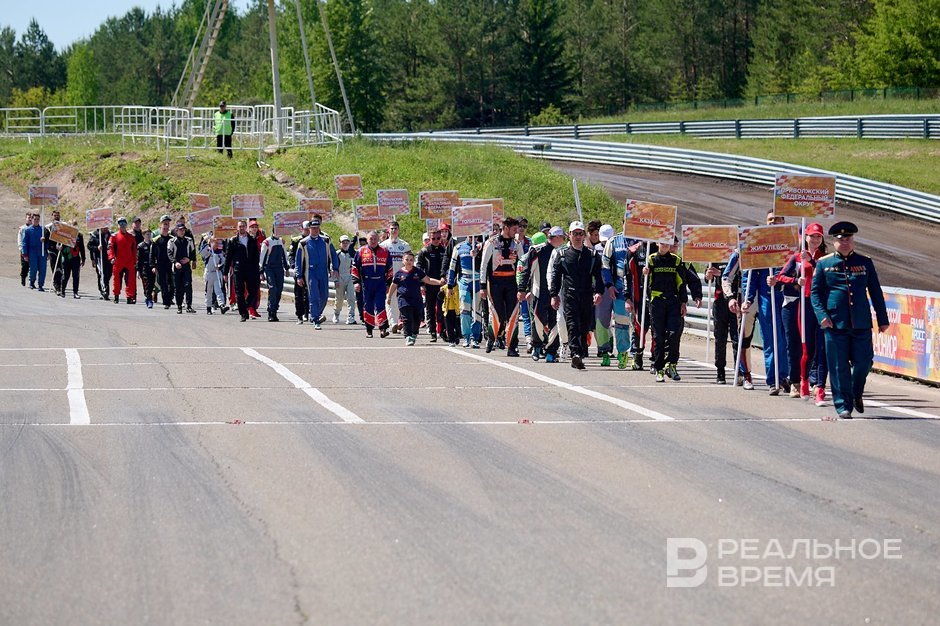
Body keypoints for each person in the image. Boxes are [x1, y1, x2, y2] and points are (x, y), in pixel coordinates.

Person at [811, 221, 889, 419]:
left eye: (848, 239)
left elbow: (875, 292)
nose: (844, 242)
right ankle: (843, 405)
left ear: (853, 240)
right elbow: (815, 293)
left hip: (860, 322)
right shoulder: (824, 263)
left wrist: (882, 319)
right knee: (839, 367)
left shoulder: (865, 262)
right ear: (834, 242)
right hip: (834, 323)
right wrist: (822, 316)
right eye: (840, 239)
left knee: (864, 362)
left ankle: (855, 391)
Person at [775, 222, 828, 400]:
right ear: (805, 237)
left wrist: (811, 261)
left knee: (817, 345)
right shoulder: (797, 257)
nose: (815, 239)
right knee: (798, 344)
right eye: (812, 236)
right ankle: (796, 382)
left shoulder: (825, 258)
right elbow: (781, 276)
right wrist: (795, 281)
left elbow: (826, 276)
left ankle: (815, 382)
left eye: (818, 236)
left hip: (818, 305)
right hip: (799, 304)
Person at [742, 211, 790, 395]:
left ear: (783, 221)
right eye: (770, 220)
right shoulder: (759, 244)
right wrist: (748, 299)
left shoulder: (792, 243)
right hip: (767, 300)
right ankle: (773, 380)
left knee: (786, 340)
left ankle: (785, 376)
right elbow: (751, 276)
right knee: (770, 340)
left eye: (777, 219)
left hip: (788, 299)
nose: (773, 222)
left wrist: (782, 279)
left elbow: (798, 272)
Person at [642, 237, 702, 382]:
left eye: (668, 243)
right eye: (662, 243)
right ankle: (659, 368)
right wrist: (645, 274)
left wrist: (684, 302)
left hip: (673, 302)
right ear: (657, 243)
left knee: (674, 334)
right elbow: (645, 284)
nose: (665, 246)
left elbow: (681, 282)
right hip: (657, 302)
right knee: (658, 337)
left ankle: (672, 365)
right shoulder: (650, 260)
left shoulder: (677, 260)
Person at [549, 221, 604, 370]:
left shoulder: (592, 255)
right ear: (569, 235)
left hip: (586, 295)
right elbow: (555, 276)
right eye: (575, 234)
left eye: (580, 234)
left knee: (584, 326)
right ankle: (576, 354)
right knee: (572, 324)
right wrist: (554, 295)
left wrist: (599, 292)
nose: (578, 237)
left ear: (584, 235)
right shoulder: (562, 255)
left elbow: (598, 276)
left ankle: (581, 350)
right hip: (569, 295)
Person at [480, 217, 523, 356]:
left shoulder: (517, 244)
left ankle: (512, 346)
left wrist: (522, 286)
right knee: (497, 314)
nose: (516, 232)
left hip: (512, 283)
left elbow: (522, 265)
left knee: (513, 315)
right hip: (495, 283)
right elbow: (483, 265)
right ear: (505, 228)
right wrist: (482, 286)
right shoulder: (491, 242)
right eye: (514, 229)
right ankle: (491, 338)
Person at [518, 229, 563, 362]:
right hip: (539, 291)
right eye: (562, 237)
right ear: (555, 237)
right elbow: (527, 271)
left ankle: (551, 352)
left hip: (557, 292)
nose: (564, 240)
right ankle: (537, 347)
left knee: (556, 321)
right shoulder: (537, 250)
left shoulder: (563, 251)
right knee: (538, 320)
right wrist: (523, 289)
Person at [602, 220, 640, 370]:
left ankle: (636, 354)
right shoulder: (613, 241)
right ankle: (623, 352)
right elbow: (605, 265)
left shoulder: (643, 241)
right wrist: (609, 285)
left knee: (638, 323)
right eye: (627, 223)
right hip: (619, 290)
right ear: (623, 223)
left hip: (638, 289)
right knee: (621, 322)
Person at [387, 251, 445, 345]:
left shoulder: (417, 271)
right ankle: (408, 336)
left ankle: (414, 333)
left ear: (413, 261)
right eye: (407, 259)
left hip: (416, 299)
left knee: (417, 318)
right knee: (407, 318)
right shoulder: (399, 273)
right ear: (403, 261)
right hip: (403, 299)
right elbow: (393, 286)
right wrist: (389, 297)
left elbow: (428, 280)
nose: (409, 262)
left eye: (411, 260)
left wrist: (439, 282)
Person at [295, 217, 339, 330]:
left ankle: (316, 314)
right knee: (314, 296)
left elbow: (333, 255)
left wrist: (335, 268)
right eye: (313, 228)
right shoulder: (303, 243)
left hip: (323, 271)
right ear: (309, 228)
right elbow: (298, 260)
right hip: (311, 272)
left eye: (317, 228)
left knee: (324, 296)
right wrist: (299, 276)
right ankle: (315, 319)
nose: (315, 230)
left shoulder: (326, 240)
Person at [352, 230, 393, 338]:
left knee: (380, 305)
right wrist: (356, 282)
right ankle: (369, 329)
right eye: (371, 239)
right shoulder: (361, 251)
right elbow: (355, 268)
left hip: (380, 282)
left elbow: (390, 268)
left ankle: (383, 328)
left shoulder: (385, 251)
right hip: (367, 283)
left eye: (375, 239)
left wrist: (388, 283)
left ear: (378, 239)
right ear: (367, 240)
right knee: (368, 305)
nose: (373, 241)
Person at [223, 220, 261, 322]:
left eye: (243, 226)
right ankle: (243, 314)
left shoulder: (252, 239)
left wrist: (257, 270)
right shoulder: (233, 240)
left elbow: (256, 257)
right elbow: (228, 257)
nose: (242, 228)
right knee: (239, 292)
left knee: (253, 290)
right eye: (240, 226)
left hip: (250, 269)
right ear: (237, 228)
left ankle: (246, 305)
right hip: (238, 269)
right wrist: (225, 273)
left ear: (246, 227)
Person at [417, 229, 448, 342]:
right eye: (433, 238)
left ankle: (442, 331)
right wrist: (421, 284)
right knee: (430, 309)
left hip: (442, 284)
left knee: (442, 309)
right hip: (429, 284)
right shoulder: (424, 251)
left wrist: (445, 278)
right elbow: (419, 268)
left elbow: (448, 266)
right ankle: (432, 332)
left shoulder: (444, 250)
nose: (436, 240)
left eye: (438, 238)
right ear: (429, 239)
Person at [381, 221, 412, 332]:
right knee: (389, 299)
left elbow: (410, 261)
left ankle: (399, 320)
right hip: (389, 278)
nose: (394, 230)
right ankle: (392, 323)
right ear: (388, 230)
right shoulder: (383, 245)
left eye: (395, 228)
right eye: (392, 228)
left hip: (402, 277)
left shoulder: (404, 245)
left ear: (399, 230)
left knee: (401, 300)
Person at [594, 224, 616, 364]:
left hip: (617, 287)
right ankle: (603, 349)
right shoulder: (595, 250)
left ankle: (615, 346)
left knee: (620, 320)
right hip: (602, 289)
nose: (604, 243)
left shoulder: (618, 248)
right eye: (603, 241)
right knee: (601, 320)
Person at [260, 229, 290, 322]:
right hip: (269, 268)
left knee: (279, 290)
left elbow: (284, 256)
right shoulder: (267, 242)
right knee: (272, 288)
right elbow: (262, 258)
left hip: (279, 269)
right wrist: (261, 272)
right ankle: (271, 311)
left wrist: (287, 268)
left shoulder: (281, 241)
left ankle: (275, 310)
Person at [108, 216, 138, 304]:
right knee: (117, 280)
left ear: (126, 224)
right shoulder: (114, 236)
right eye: (120, 224)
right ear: (118, 225)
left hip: (129, 262)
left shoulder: (131, 237)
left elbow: (134, 249)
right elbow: (110, 248)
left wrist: (134, 260)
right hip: (118, 262)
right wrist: (111, 257)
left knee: (130, 280)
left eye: (124, 223)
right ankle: (116, 296)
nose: (122, 225)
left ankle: (129, 297)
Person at [167, 223, 196, 313]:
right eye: (180, 230)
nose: (182, 232)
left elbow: (193, 252)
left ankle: (189, 306)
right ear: (176, 231)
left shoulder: (189, 240)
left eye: (183, 230)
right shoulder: (172, 241)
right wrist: (175, 262)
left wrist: (190, 259)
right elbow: (169, 253)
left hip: (186, 266)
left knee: (188, 285)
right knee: (178, 287)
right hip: (177, 267)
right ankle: (179, 306)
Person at [150, 215, 175, 308]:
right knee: (163, 284)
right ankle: (166, 302)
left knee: (172, 284)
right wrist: (153, 266)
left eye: (167, 224)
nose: (166, 226)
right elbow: (152, 254)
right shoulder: (156, 240)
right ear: (160, 225)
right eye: (164, 224)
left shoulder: (172, 239)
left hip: (171, 264)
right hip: (160, 264)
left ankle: (170, 298)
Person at [289, 221, 311, 324]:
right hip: (299, 270)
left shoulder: (313, 240)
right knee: (299, 294)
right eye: (305, 229)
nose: (307, 231)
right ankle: (299, 315)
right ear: (301, 229)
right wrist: (294, 266)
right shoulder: (296, 240)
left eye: (308, 229)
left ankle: (308, 313)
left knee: (310, 293)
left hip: (310, 270)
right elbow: (291, 255)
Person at [201, 236, 229, 315]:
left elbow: (224, 261)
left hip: (217, 273)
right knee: (209, 291)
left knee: (219, 290)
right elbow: (202, 252)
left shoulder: (220, 253)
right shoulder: (208, 251)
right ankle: (208, 307)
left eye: (217, 243)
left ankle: (222, 305)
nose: (216, 244)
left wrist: (219, 266)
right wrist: (207, 243)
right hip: (209, 273)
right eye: (215, 242)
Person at [333, 235, 357, 324]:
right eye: (343, 243)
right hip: (340, 278)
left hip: (350, 277)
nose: (345, 244)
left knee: (351, 298)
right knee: (339, 299)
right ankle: (336, 314)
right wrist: (335, 280)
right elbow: (333, 268)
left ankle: (351, 316)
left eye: (347, 242)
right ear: (340, 244)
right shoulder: (337, 254)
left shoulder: (353, 253)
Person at [59, 221, 85, 299]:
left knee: (76, 276)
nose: (74, 227)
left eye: (75, 226)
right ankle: (62, 291)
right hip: (66, 258)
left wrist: (83, 258)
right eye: (72, 225)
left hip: (76, 258)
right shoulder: (65, 234)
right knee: (65, 275)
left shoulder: (79, 235)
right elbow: (59, 244)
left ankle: (75, 292)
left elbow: (82, 248)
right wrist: (59, 248)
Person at [22, 213, 46, 290]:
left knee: (42, 269)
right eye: (35, 219)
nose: (36, 221)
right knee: (33, 268)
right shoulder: (27, 230)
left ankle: (41, 285)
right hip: (32, 252)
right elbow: (24, 242)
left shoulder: (43, 230)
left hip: (42, 251)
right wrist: (25, 254)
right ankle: (32, 282)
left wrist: (44, 241)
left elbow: (47, 242)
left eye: (38, 219)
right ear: (32, 219)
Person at [87, 225, 112, 299]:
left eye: (107, 227)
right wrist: (97, 248)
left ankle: (104, 288)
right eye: (104, 227)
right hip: (100, 258)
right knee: (102, 274)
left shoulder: (111, 234)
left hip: (109, 258)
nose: (106, 228)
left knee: (108, 274)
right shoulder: (95, 235)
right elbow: (89, 246)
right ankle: (104, 291)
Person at [44, 210, 62, 295]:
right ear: (52, 217)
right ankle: (57, 286)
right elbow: (46, 242)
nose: (56, 217)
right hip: (52, 251)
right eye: (55, 215)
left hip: (61, 251)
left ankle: (60, 285)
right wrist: (47, 253)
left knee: (61, 269)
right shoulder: (48, 228)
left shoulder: (64, 227)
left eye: (57, 215)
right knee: (55, 268)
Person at [137, 229, 155, 308]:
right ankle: (149, 299)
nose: (149, 236)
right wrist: (138, 270)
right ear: (143, 235)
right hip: (144, 268)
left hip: (152, 267)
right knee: (146, 284)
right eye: (147, 234)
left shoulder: (153, 245)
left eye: (150, 234)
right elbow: (138, 259)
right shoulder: (140, 246)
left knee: (151, 284)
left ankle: (148, 296)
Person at [18, 212, 31, 287]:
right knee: (25, 265)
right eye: (28, 218)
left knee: (32, 266)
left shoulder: (34, 228)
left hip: (32, 250)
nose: (30, 219)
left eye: (31, 218)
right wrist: (21, 248)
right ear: (26, 218)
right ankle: (23, 277)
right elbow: (19, 239)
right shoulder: (22, 228)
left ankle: (31, 281)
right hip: (24, 250)